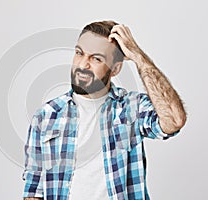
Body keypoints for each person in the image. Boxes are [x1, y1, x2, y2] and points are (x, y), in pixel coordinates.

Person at [22, 20, 187, 200]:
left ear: (115, 69)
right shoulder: (46, 116)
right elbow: (34, 190)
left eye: (96, 58)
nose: (83, 65)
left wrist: (138, 56)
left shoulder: (131, 108)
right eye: (79, 53)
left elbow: (174, 119)